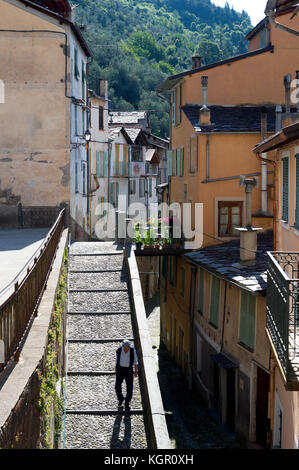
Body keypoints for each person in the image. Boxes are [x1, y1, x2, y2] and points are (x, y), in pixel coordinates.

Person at [115, 339, 138, 411]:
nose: (127, 348)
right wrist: (116, 367)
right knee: (117, 386)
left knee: (130, 387)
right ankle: (121, 399)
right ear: (123, 346)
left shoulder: (132, 351)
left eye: (128, 347)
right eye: (126, 347)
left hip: (128, 370)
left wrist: (135, 372)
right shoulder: (119, 350)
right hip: (120, 369)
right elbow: (117, 359)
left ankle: (127, 402)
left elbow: (135, 362)